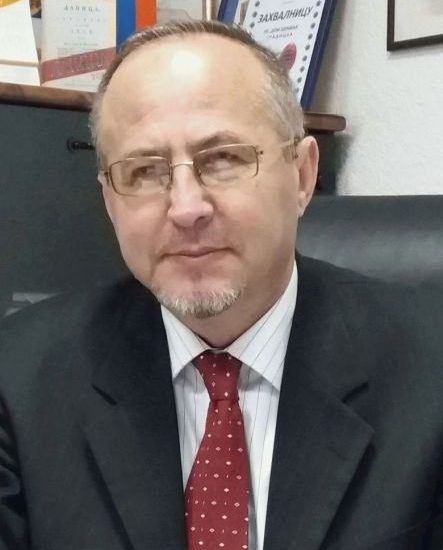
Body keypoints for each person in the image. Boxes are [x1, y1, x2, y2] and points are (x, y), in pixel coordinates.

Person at [0, 20, 443, 550]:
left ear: (302, 176)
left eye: (224, 158)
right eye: (144, 171)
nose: (186, 208)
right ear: (110, 202)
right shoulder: (18, 379)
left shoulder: (430, 370)